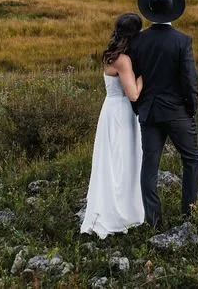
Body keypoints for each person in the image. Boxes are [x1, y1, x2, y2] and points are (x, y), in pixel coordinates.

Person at [129, 0, 198, 228]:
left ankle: (154, 221)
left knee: (149, 164)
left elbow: (133, 77)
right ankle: (189, 215)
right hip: (177, 111)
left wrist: (138, 107)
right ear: (173, 10)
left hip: (149, 111)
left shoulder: (138, 41)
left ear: (150, 10)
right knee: (191, 159)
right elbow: (189, 80)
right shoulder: (182, 41)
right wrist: (191, 108)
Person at [80, 13, 146, 238]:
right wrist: (145, 75)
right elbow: (134, 94)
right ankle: (121, 212)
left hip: (109, 109)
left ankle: (111, 204)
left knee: (111, 160)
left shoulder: (109, 55)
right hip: (121, 113)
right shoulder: (123, 61)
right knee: (123, 161)